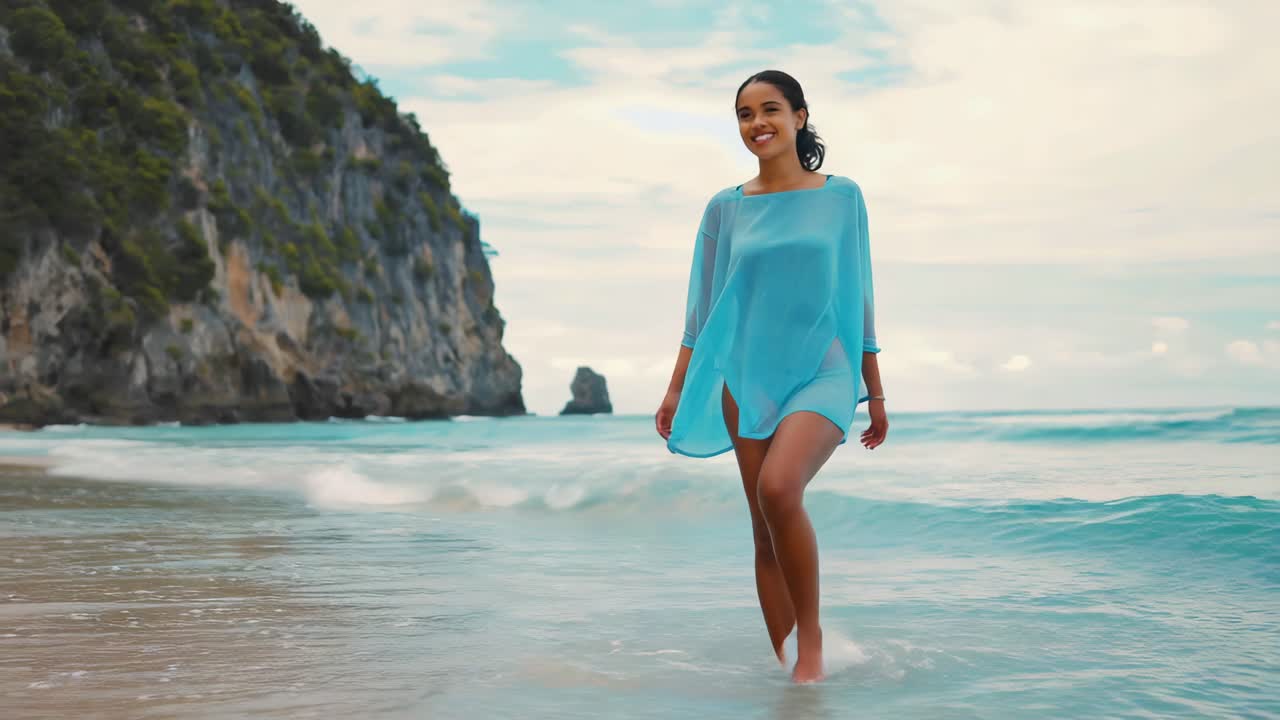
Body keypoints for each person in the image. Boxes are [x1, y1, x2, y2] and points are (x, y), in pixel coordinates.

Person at [654, 70, 888, 684]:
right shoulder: (725, 208)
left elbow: (859, 293)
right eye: (744, 114)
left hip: (823, 371)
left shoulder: (842, 197)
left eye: (770, 110)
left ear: (800, 117)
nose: (757, 123)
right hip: (746, 375)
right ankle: (791, 670)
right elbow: (700, 311)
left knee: (780, 489)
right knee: (763, 531)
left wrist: (876, 389)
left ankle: (811, 644)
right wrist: (678, 386)